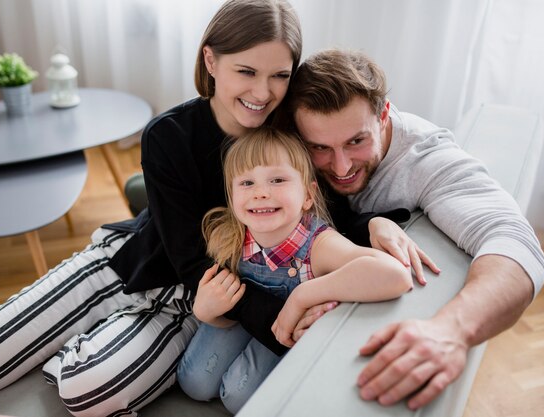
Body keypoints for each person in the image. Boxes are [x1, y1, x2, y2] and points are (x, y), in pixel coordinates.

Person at [0, 1, 304, 415]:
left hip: (194, 300)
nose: (263, 92)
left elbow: (328, 218)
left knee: (88, 390)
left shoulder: (290, 144)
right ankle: (69, 338)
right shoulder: (169, 135)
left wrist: (377, 224)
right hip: (122, 263)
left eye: (280, 76)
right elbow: (185, 253)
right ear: (211, 60)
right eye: (247, 71)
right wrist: (284, 325)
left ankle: (74, 353)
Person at [274, 48, 544, 410]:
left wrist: (451, 331)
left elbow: (516, 242)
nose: (340, 167)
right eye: (320, 148)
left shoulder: (425, 160)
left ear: (384, 115)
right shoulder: (287, 137)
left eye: (357, 141)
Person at [176, 127, 414, 413]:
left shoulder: (319, 245)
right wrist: (206, 314)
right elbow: (232, 309)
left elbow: (395, 275)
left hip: (286, 335)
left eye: (277, 180)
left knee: (238, 396)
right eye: (247, 183)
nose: (261, 193)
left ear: (307, 195)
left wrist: (303, 294)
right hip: (243, 323)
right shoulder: (228, 237)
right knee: (193, 382)